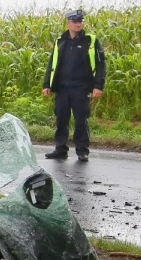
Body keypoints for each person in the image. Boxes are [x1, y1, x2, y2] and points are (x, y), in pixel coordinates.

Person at [42, 9, 106, 161]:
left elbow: (101, 64)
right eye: (75, 21)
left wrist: (98, 86)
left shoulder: (90, 41)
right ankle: (60, 149)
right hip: (62, 88)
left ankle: (82, 150)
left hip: (81, 88)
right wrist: (47, 84)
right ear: (68, 23)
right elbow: (52, 63)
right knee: (61, 119)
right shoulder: (60, 41)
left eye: (80, 21)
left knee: (80, 120)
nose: (78, 24)